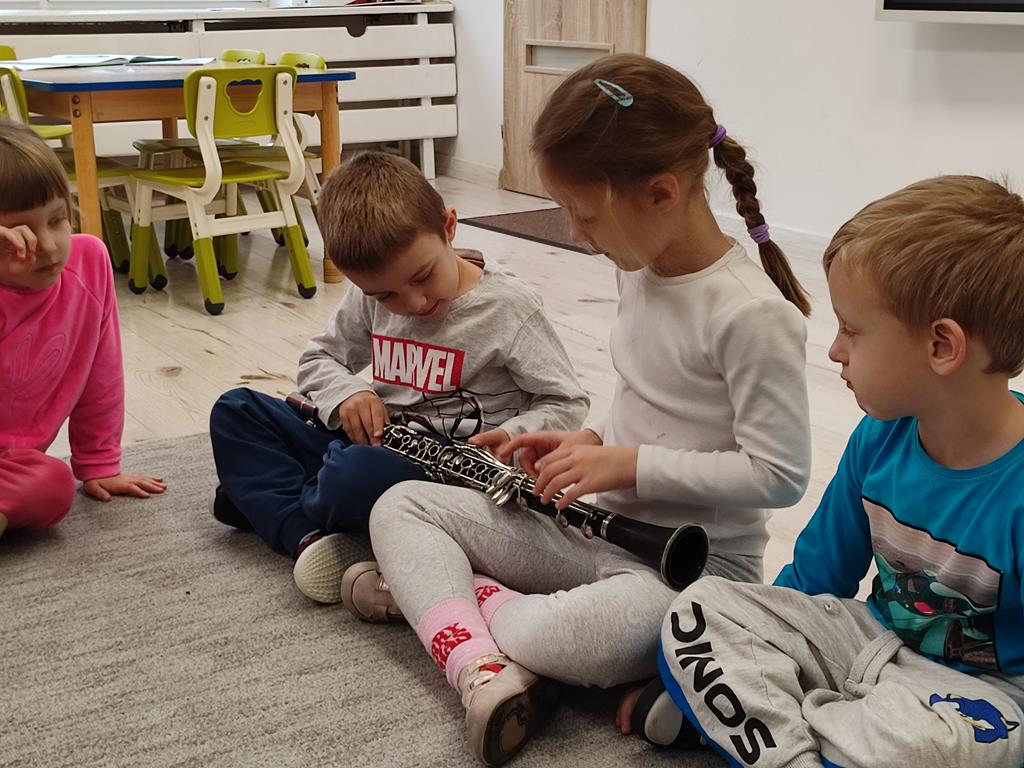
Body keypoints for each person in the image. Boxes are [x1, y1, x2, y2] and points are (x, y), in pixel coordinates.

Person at [350, 53, 814, 766]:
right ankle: (485, 651)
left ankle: (456, 615)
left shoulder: (751, 315)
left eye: (584, 213)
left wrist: (627, 464)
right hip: (599, 534)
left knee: (565, 633)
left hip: (692, 570)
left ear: (660, 194)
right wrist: (583, 440)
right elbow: (640, 396)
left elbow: (779, 477)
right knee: (401, 505)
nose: (573, 232)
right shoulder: (641, 271)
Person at [651, 176, 1024, 768]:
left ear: (941, 346)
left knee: (920, 746)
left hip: (978, 699)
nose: (834, 350)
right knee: (697, 610)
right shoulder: (880, 436)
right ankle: (810, 740)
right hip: (868, 645)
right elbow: (816, 580)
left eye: (852, 328)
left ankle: (769, 722)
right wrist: (760, 637)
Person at [208, 151, 589, 605]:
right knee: (236, 411)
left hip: (451, 480)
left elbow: (566, 403)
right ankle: (310, 531)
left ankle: (273, 505)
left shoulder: (508, 307)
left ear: (448, 227)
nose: (412, 303)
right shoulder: (368, 297)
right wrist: (348, 392)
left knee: (350, 475)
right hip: (375, 446)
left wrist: (511, 435)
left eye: (423, 276)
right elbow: (318, 359)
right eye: (385, 295)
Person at [0, 120, 166, 541]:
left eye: (57, 220)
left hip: (14, 468)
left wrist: (99, 462)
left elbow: (100, 372)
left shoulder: (89, 262)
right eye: (21, 235)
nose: (49, 246)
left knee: (54, 487)